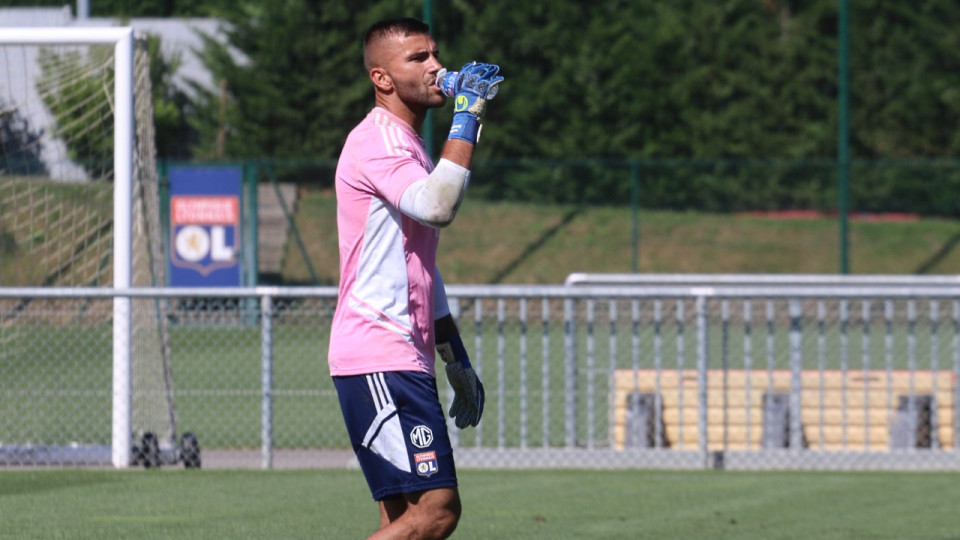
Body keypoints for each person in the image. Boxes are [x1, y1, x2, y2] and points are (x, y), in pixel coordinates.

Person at [328, 17, 503, 540]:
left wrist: (455, 357)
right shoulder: (379, 140)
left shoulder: (407, 143)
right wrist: (467, 115)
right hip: (380, 352)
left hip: (398, 355)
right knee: (438, 511)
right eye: (418, 58)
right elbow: (438, 206)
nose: (436, 66)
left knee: (402, 520)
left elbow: (420, 269)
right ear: (382, 78)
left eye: (435, 54)